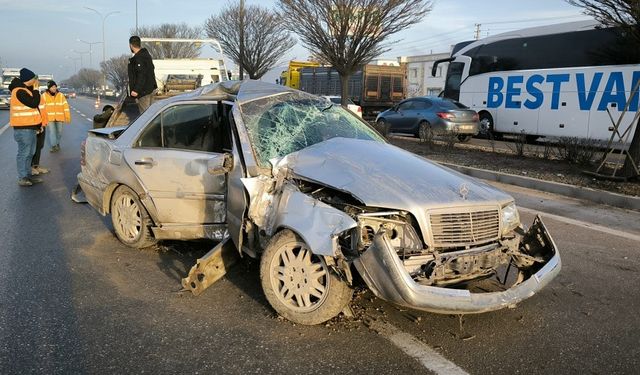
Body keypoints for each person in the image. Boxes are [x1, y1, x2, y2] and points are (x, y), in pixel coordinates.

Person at [8, 68, 47, 186]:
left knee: (30, 153)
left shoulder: (25, 90)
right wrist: (36, 89)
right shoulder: (19, 91)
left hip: (30, 128)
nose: (35, 81)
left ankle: (28, 175)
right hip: (23, 129)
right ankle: (22, 177)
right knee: (24, 153)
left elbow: (35, 110)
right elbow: (34, 103)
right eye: (33, 79)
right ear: (28, 79)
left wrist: (38, 125)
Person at [127, 35, 157, 113]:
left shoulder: (139, 58)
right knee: (151, 115)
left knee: (144, 116)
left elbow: (141, 75)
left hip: (144, 92)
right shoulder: (147, 55)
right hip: (151, 88)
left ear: (131, 45)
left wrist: (136, 90)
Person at [42, 80, 71, 152]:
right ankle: (53, 146)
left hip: (59, 117)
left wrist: (67, 117)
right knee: (52, 132)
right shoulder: (44, 96)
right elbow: (42, 108)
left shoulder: (61, 95)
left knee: (59, 132)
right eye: (52, 87)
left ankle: (57, 143)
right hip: (50, 118)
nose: (54, 88)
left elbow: (65, 106)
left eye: (55, 86)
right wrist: (43, 119)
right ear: (49, 88)